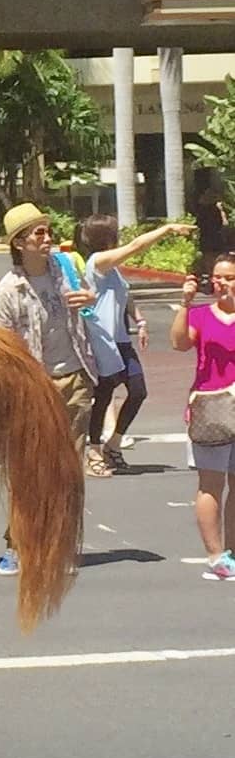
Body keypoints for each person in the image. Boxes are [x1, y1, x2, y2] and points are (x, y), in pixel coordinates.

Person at [0, 202, 96, 575]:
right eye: (39, 233)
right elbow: (0, 348)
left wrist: (89, 302)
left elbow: (86, 310)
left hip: (76, 377)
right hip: (34, 386)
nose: (47, 239)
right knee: (29, 470)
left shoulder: (64, 271)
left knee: (69, 470)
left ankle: (60, 547)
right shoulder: (8, 290)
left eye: (48, 231)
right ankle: (17, 544)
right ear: (20, 243)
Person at [81, 216, 194, 473]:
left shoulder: (114, 269)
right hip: (103, 341)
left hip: (121, 339)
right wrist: (166, 229)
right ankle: (95, 451)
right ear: (107, 238)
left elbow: (125, 295)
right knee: (103, 395)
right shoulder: (97, 263)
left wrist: (140, 321)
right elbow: (135, 247)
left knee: (138, 390)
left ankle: (114, 443)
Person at [170, 253, 235, 580]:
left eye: (229, 278)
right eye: (218, 277)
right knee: (211, 483)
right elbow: (179, 343)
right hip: (211, 409)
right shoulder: (200, 315)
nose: (221, 283)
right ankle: (215, 556)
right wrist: (185, 303)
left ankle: (233, 552)